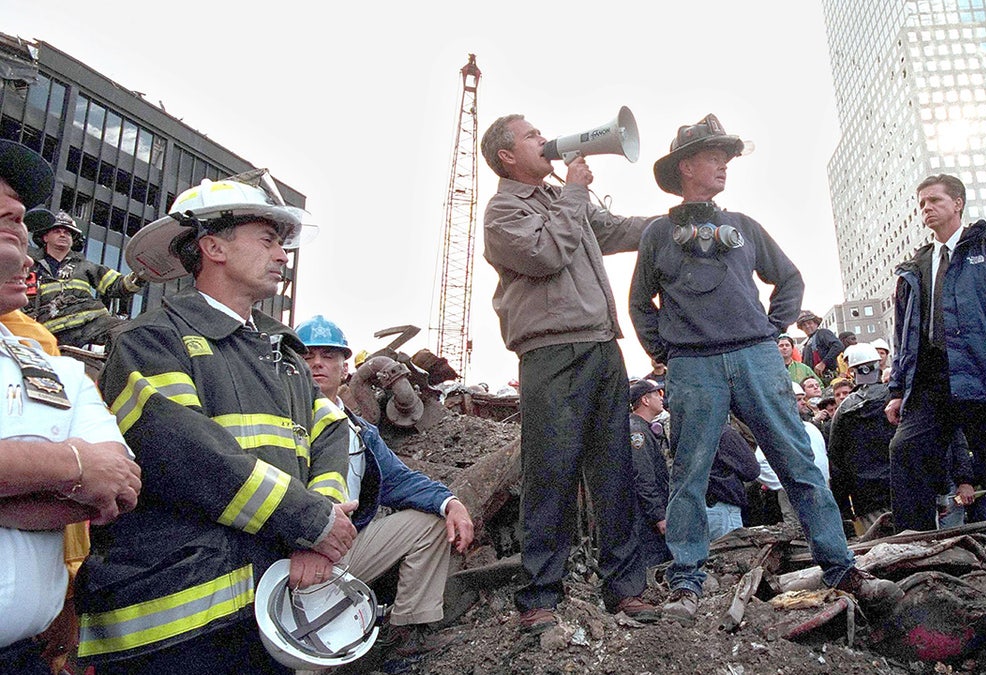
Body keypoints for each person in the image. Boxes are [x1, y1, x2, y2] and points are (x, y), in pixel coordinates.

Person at [75, 175, 356, 674]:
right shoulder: (150, 340)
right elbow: (185, 453)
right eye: (267, 240)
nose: (282, 256)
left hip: (269, 601)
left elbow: (332, 431)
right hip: (176, 620)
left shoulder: (283, 352)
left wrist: (322, 518)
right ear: (213, 247)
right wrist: (311, 523)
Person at [630, 113, 900, 625]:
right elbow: (640, 303)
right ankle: (687, 579)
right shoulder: (658, 236)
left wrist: (770, 330)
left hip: (755, 357)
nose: (723, 167)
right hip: (693, 366)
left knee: (799, 464)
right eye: (713, 157)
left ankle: (841, 568)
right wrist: (665, 353)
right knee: (689, 475)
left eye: (726, 159)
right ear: (686, 166)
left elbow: (789, 279)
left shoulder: (744, 228)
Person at [480, 113, 658, 633]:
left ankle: (626, 589)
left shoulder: (562, 200)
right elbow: (545, 254)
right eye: (532, 136)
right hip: (551, 355)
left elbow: (617, 231)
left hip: (602, 346)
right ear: (507, 156)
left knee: (615, 471)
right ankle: (540, 595)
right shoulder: (502, 211)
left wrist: (672, 222)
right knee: (551, 473)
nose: (545, 139)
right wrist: (575, 193)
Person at [0, 139, 141, 674]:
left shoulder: (49, 362)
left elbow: (116, 486)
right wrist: (74, 464)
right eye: (7, 217)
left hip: (21, 655)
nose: (32, 235)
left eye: (32, 225)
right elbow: (92, 472)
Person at [296, 315, 475, 658]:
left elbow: (400, 479)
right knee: (302, 659)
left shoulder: (359, 431)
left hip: (342, 551)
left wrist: (452, 502)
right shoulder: (278, 421)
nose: (318, 363)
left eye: (328, 356)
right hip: (290, 558)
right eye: (308, 355)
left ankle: (403, 636)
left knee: (432, 523)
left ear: (345, 369)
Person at [886, 173, 986, 540]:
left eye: (935, 200)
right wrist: (896, 388)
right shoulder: (916, 266)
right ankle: (913, 545)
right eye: (921, 202)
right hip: (930, 380)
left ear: (957, 203)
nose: (926, 208)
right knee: (906, 450)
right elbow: (903, 333)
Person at [28, 210, 143, 348]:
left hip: (93, 323)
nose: (63, 234)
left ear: (73, 240)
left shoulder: (86, 267)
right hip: (51, 334)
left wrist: (142, 273)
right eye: (57, 231)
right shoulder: (30, 269)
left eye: (68, 233)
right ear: (45, 237)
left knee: (132, 334)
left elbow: (118, 286)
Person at [827, 344, 895, 530]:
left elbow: (836, 461)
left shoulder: (843, 411)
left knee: (882, 552)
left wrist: (843, 507)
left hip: (866, 497)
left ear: (852, 371)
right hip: (906, 487)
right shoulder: (896, 399)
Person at [628, 378, 671, 568]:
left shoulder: (642, 428)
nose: (662, 398)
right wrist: (659, 515)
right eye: (657, 394)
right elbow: (643, 477)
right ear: (645, 400)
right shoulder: (638, 432)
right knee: (654, 565)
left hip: (647, 515)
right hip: (645, 520)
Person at [705, 423, 760, 540]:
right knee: (730, 554)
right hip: (722, 506)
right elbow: (751, 470)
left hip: (693, 507)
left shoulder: (685, 431)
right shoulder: (723, 432)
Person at [795, 309, 843, 385]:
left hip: (827, 378)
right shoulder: (807, 344)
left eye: (809, 323)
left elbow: (838, 345)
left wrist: (823, 363)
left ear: (816, 324)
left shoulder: (823, 333)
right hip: (815, 381)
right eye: (804, 325)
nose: (807, 326)